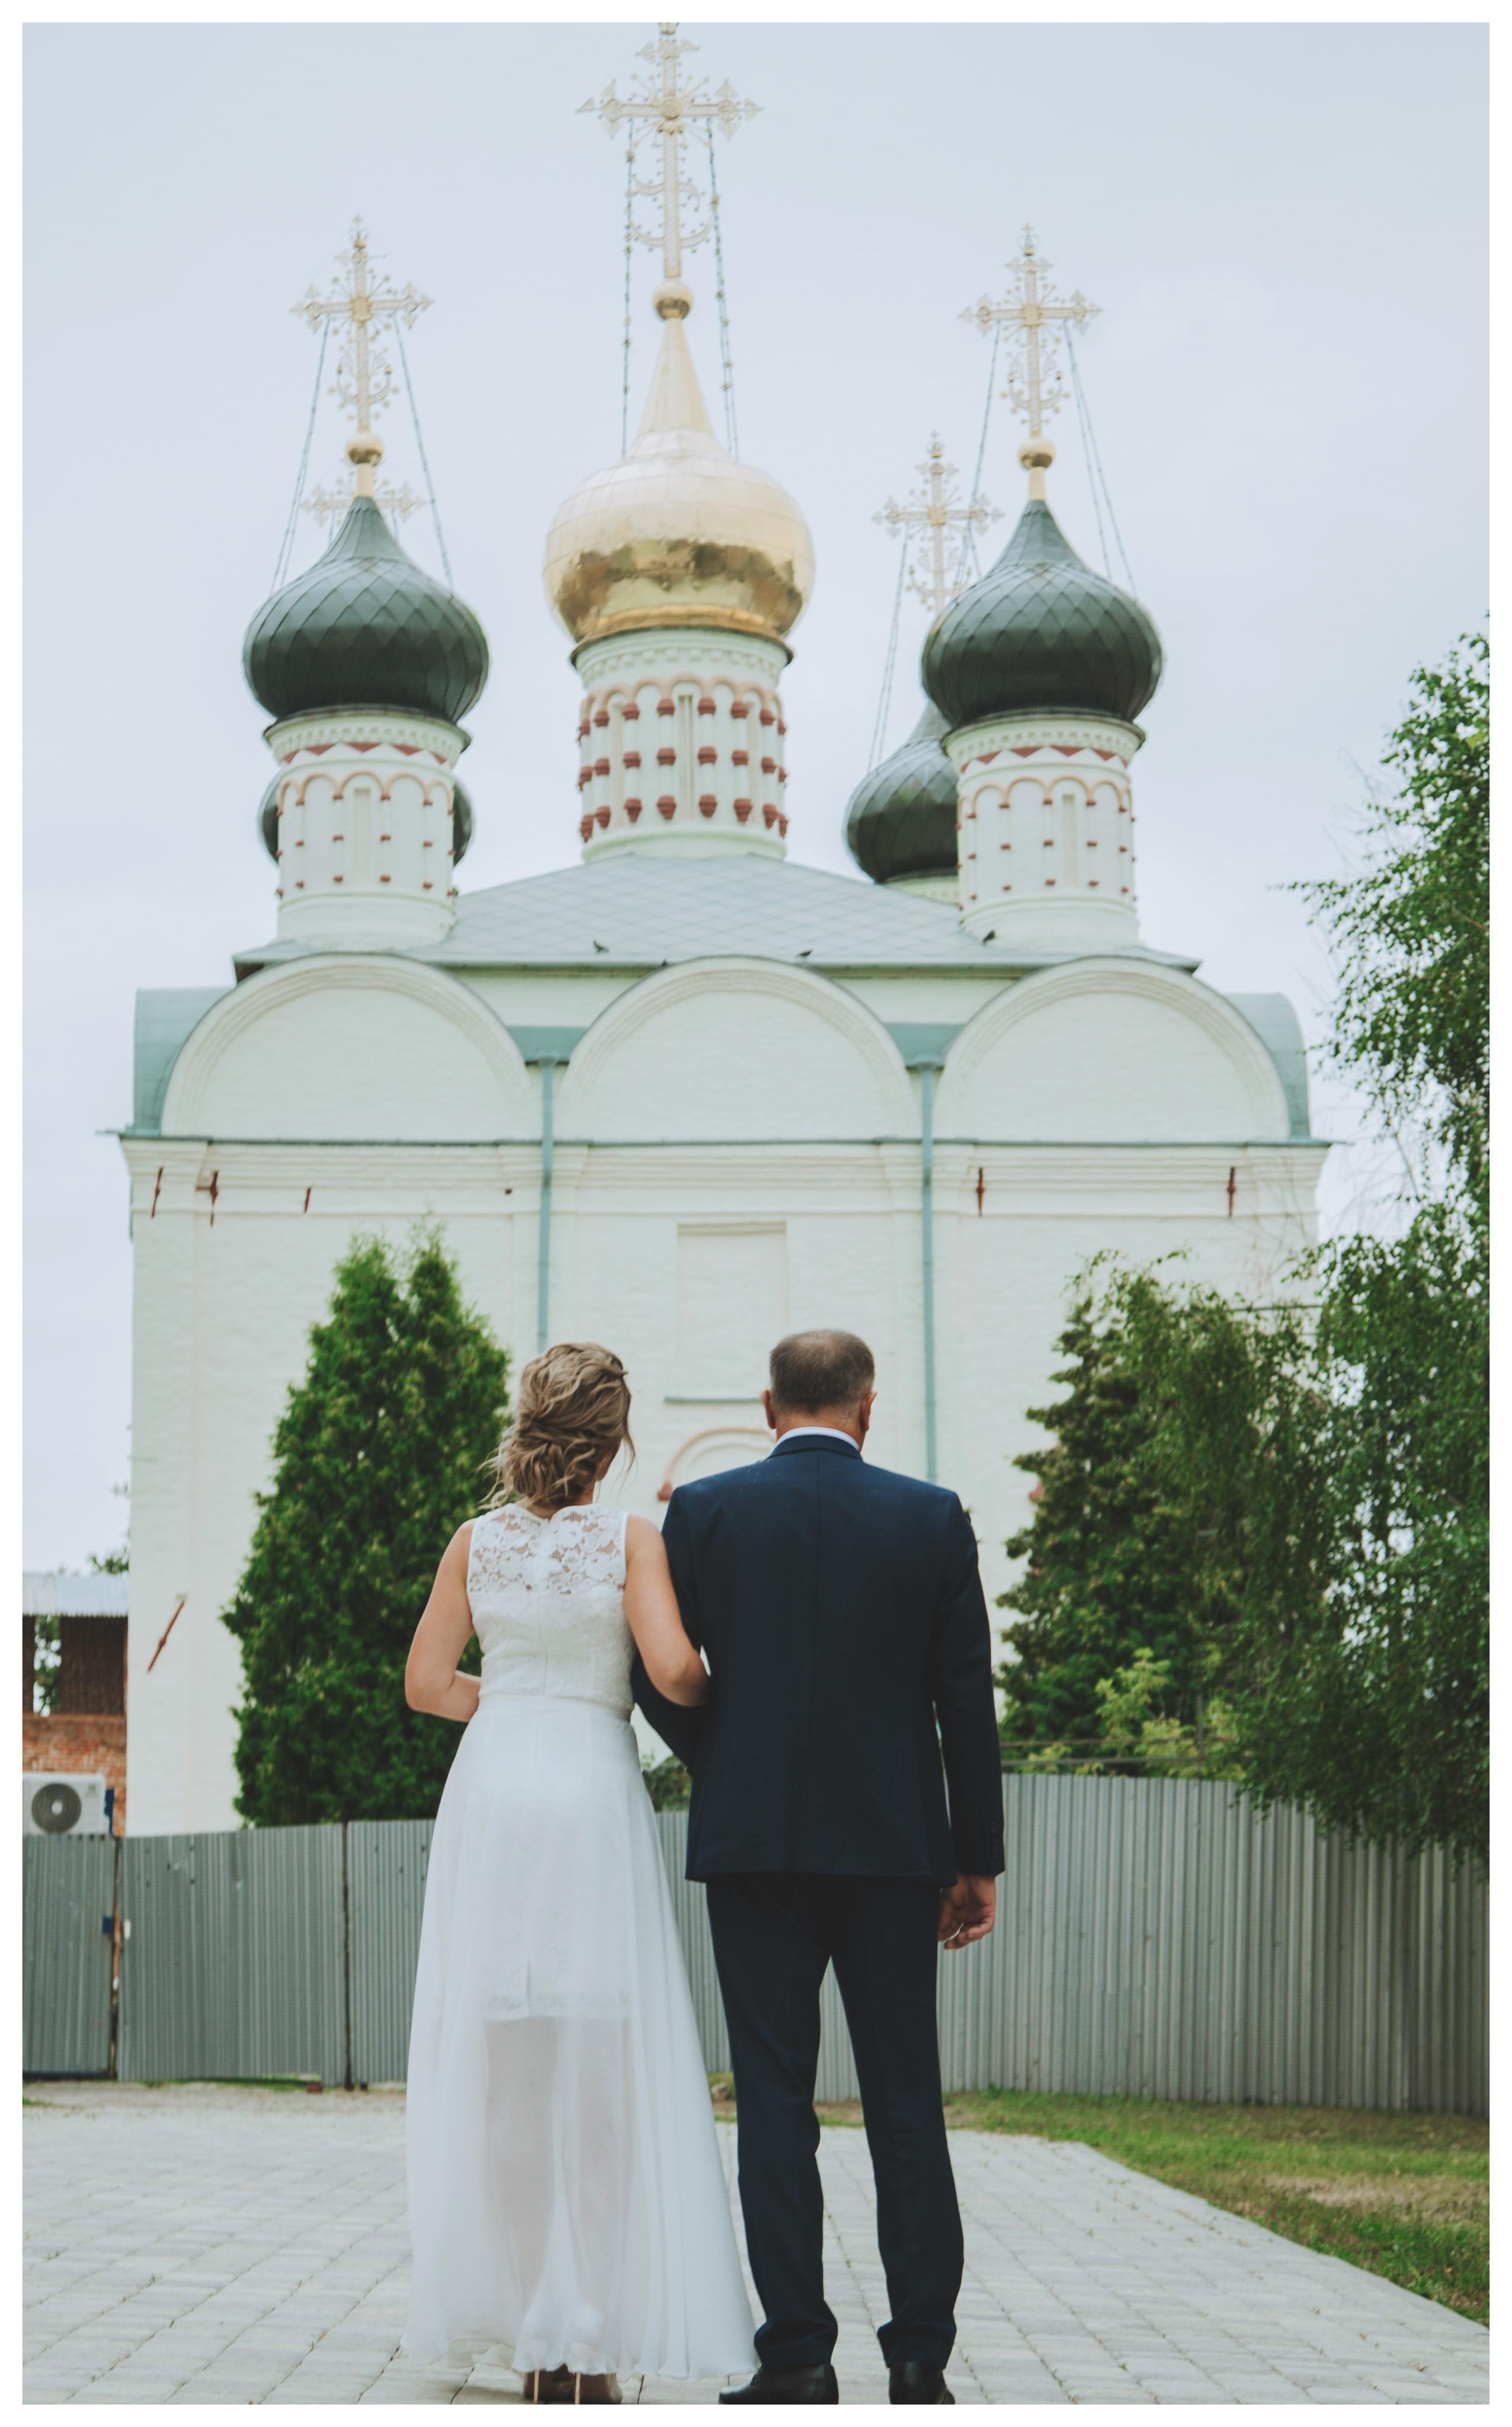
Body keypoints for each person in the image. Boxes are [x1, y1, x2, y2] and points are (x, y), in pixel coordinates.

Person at [634, 1329, 1004, 2407]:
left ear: (766, 1407)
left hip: (752, 1851)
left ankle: (795, 2352)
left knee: (775, 2099)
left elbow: (657, 1666)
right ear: (868, 1409)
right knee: (903, 2098)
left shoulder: (701, 1515)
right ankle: (921, 2352)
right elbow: (965, 1702)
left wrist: (725, 1757)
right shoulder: (931, 1518)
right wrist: (974, 1858)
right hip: (895, 1854)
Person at [400, 1342, 755, 2403]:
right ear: (614, 1441)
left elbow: (425, 1684)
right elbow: (676, 1675)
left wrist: (511, 1698)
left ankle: (532, 2330)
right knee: (598, 2072)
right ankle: (588, 2337)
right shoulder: (629, 1539)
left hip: (498, 1795)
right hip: (591, 1800)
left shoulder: (475, 1543)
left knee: (511, 2071)